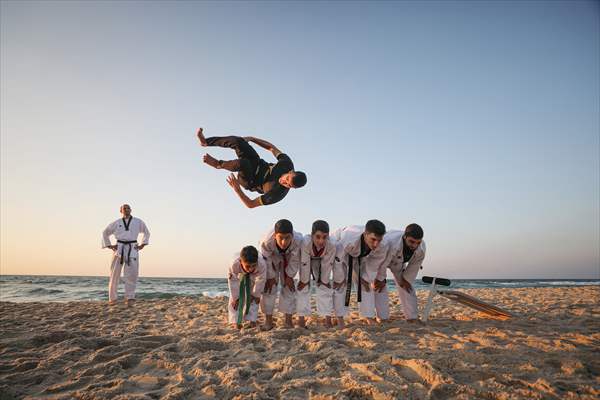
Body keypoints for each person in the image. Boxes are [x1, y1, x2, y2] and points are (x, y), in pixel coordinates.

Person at [196, 128, 307, 207]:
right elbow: (271, 148)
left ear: (292, 188)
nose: (284, 182)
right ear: (291, 171)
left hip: (250, 180)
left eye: (288, 185)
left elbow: (251, 204)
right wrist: (253, 139)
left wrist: (237, 189)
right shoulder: (287, 164)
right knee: (238, 141)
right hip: (256, 162)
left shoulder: (277, 194)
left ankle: (218, 164)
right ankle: (206, 142)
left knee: (243, 163)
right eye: (287, 178)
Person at [332, 220, 389, 325]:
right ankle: (340, 318)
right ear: (365, 234)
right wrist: (339, 278)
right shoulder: (348, 239)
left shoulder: (383, 245)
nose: (376, 244)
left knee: (365, 284)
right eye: (373, 239)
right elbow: (338, 260)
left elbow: (373, 265)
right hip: (340, 251)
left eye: (379, 240)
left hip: (359, 256)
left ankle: (368, 316)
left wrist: (364, 278)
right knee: (341, 284)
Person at [101, 204, 150, 305]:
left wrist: (142, 245)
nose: (126, 210)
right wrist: (109, 245)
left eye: (128, 208)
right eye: (124, 208)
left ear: (131, 210)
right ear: (121, 211)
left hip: (132, 248)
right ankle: (112, 298)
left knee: (132, 274)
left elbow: (146, 232)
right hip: (119, 248)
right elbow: (105, 232)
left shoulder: (138, 222)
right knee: (114, 274)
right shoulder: (116, 223)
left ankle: (130, 297)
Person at [259, 219, 303, 330]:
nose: (284, 242)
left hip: (288, 258)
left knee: (289, 287)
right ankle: (268, 322)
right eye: (280, 238)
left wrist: (289, 277)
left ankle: (288, 322)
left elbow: (295, 260)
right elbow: (266, 259)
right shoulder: (266, 241)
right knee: (269, 288)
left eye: (287, 238)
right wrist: (270, 277)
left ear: (292, 236)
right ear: (275, 235)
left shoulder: (298, 240)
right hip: (272, 258)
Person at [381, 224, 426, 322]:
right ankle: (382, 317)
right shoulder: (390, 241)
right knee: (379, 285)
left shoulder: (421, 248)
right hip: (381, 258)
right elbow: (381, 262)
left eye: (418, 242)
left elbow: (414, 265)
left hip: (398, 263)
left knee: (406, 286)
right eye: (411, 241)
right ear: (404, 236)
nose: (414, 245)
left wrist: (406, 280)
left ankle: (412, 317)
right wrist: (380, 278)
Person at [296, 220, 337, 328]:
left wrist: (324, 280)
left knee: (325, 286)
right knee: (303, 287)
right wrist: (305, 280)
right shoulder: (305, 242)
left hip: (322, 260)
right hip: (307, 259)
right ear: (312, 235)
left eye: (324, 237)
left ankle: (327, 320)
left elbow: (327, 264)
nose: (321, 240)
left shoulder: (332, 244)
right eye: (318, 237)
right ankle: (301, 320)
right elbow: (304, 262)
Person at [227, 246, 267, 329]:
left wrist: (256, 295)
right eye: (248, 266)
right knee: (235, 301)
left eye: (253, 265)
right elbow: (233, 282)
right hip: (238, 275)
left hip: (255, 276)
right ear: (241, 262)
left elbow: (260, 280)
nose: (251, 269)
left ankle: (252, 320)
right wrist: (236, 298)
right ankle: (235, 321)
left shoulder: (261, 264)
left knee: (254, 299)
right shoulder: (234, 264)